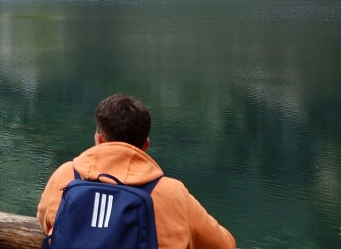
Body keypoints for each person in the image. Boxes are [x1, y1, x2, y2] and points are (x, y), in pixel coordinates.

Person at [37, 94, 236, 249]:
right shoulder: (173, 193)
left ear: (99, 139)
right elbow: (224, 245)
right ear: (145, 145)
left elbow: (45, 222)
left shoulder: (66, 176)